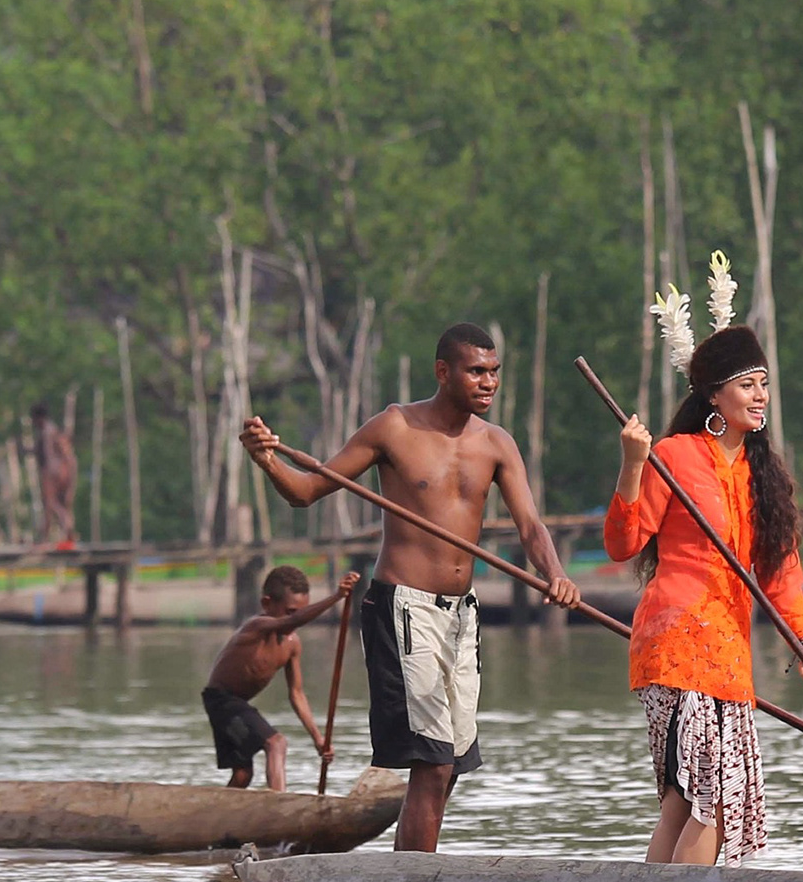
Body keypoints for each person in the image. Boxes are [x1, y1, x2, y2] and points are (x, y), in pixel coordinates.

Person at [239, 322, 580, 852]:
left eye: (493, 372)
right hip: (403, 610)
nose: (488, 382)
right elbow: (305, 492)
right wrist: (266, 459)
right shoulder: (394, 428)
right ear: (443, 372)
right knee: (433, 758)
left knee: (452, 762)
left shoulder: (497, 444)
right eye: (475, 371)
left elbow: (530, 527)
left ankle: (413, 878)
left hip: (460, 616)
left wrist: (554, 573)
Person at [605, 324, 803, 867]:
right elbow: (623, 543)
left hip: (730, 654)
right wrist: (633, 465)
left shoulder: (764, 475)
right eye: (747, 385)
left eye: (764, 384)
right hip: (673, 642)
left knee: (688, 802)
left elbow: (780, 574)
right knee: (710, 801)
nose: (760, 397)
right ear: (713, 394)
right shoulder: (675, 455)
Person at [202, 566, 361, 792]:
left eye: (299, 612)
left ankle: (215, 820)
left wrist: (318, 738)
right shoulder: (255, 627)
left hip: (236, 705)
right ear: (267, 604)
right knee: (276, 743)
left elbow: (296, 693)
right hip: (221, 700)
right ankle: (280, 803)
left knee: (242, 775)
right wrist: (337, 597)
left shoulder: (292, 644)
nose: (296, 620)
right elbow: (290, 622)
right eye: (291, 612)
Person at [32, 404, 78, 545]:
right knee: (59, 504)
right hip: (61, 472)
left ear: (39, 418)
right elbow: (69, 457)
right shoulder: (55, 432)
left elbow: (50, 455)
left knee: (50, 504)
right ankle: (66, 531)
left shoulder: (47, 431)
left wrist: (51, 472)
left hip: (51, 472)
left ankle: (49, 536)